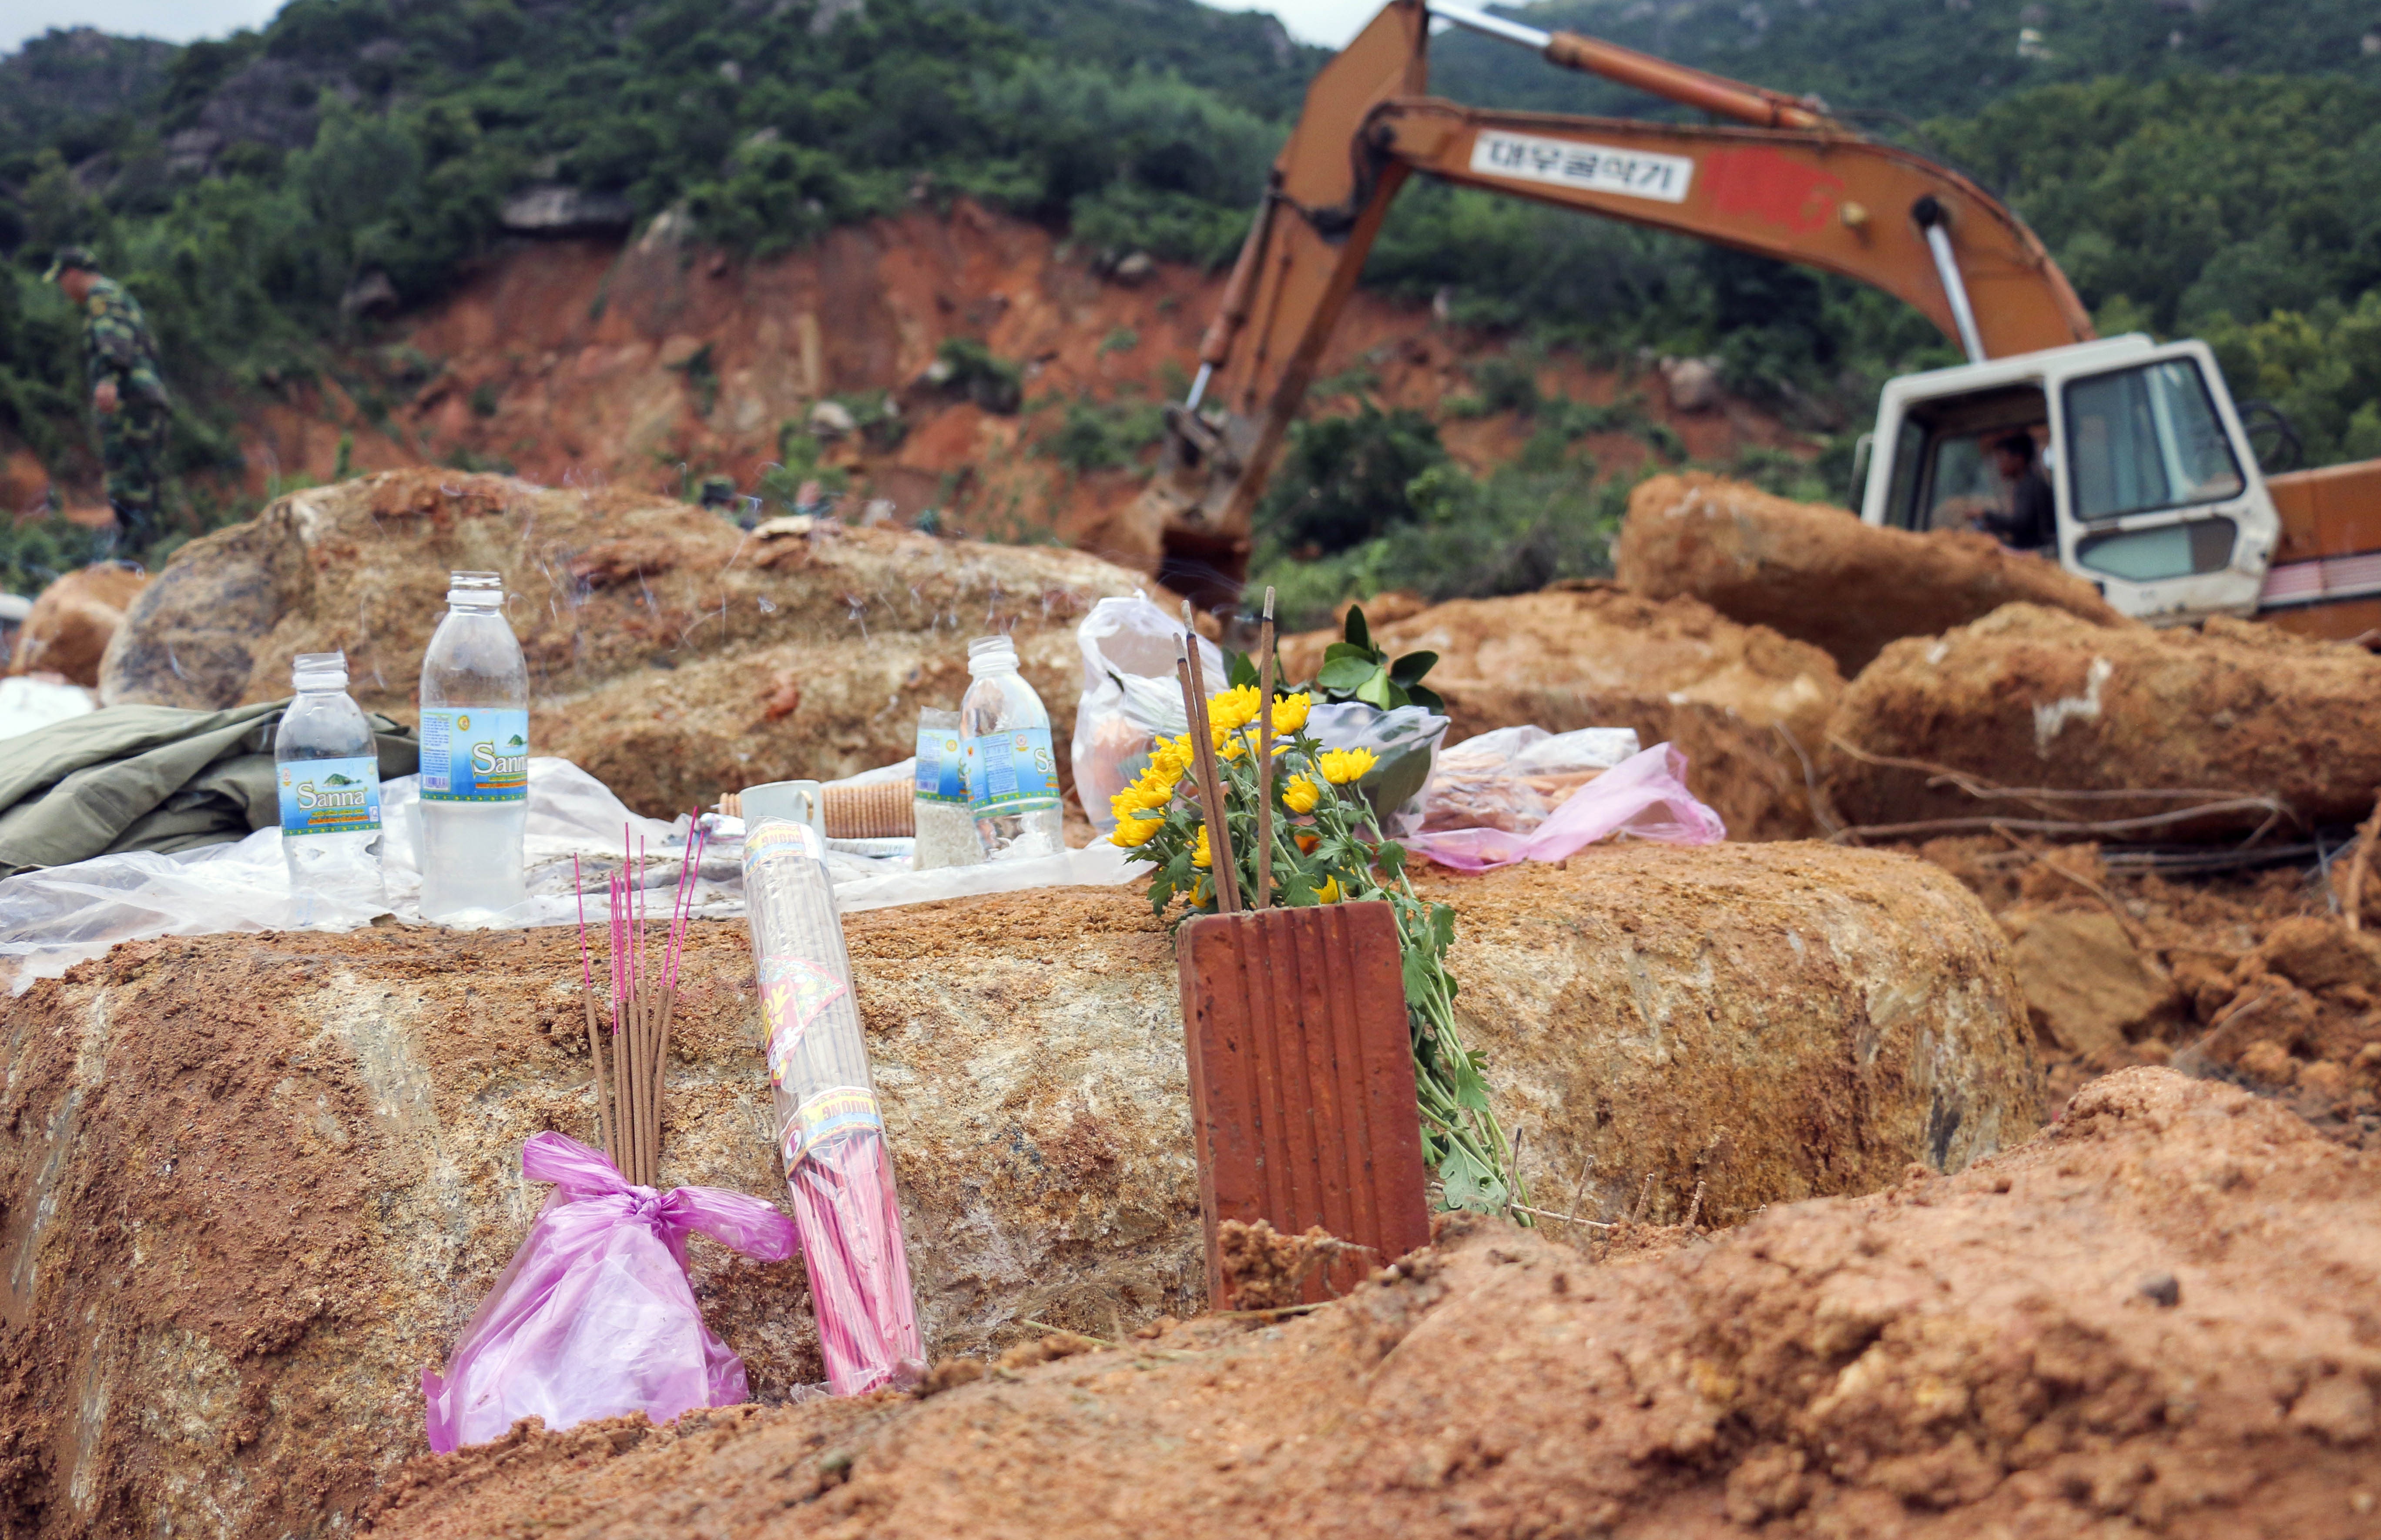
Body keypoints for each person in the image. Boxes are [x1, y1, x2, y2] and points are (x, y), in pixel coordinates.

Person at [45, 246, 169, 550]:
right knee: (144, 479)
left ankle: (132, 556)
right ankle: (144, 551)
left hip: (129, 400)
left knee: (127, 479)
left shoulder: (102, 296)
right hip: (145, 397)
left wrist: (108, 378)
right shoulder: (118, 295)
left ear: (71, 274)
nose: (62, 289)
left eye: (61, 281)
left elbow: (114, 338)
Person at [1972, 430, 2055, 553]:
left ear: (2019, 459)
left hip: (2038, 552)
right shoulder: (2026, 484)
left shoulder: (2030, 485)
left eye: (2002, 458)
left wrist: (1986, 515)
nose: (1999, 465)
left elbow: (2021, 523)